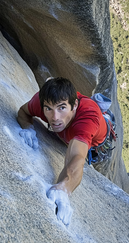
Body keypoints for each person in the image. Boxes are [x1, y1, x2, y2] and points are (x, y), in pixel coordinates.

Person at [17, 77, 116, 226]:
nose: (55, 117)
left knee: (91, 126)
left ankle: (104, 114)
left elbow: (76, 157)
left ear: (74, 105)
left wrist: (64, 188)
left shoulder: (86, 121)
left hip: (98, 136)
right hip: (76, 117)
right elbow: (23, 112)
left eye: (61, 108)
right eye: (49, 109)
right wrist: (28, 128)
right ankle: (92, 103)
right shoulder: (42, 100)